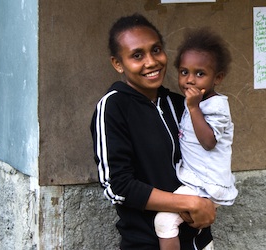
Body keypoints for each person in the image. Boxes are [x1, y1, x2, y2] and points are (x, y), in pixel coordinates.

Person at [90, 14, 216, 250]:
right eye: (137, 55)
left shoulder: (181, 104)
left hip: (199, 241)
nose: (151, 62)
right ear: (118, 63)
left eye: (156, 50)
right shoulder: (113, 108)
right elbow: (117, 186)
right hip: (147, 242)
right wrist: (186, 203)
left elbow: (208, 157)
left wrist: (206, 203)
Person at [154, 28, 238, 250]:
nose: (190, 80)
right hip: (195, 180)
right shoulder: (192, 103)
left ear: (217, 78)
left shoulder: (216, 106)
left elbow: (209, 141)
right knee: (179, 223)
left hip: (207, 184)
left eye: (200, 74)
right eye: (184, 72)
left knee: (163, 221)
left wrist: (193, 109)